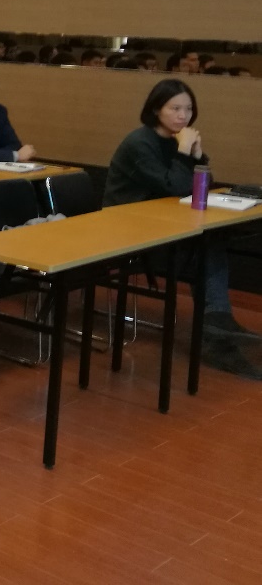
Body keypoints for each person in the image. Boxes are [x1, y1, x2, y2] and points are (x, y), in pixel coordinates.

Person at [103, 79, 260, 379]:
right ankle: (216, 330)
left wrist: (197, 155)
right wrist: (185, 151)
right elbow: (174, 186)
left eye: (188, 109)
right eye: (174, 108)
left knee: (211, 244)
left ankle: (216, 325)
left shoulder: (177, 141)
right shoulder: (140, 143)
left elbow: (201, 186)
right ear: (155, 109)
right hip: (126, 229)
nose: (183, 116)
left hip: (162, 223)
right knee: (205, 248)